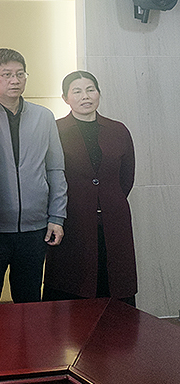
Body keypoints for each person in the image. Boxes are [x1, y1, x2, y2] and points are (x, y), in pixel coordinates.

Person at [0, 48, 67, 305]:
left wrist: (57, 216)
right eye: (6, 75)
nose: (15, 80)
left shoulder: (44, 117)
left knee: (29, 301)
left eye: (20, 74)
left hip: (35, 229)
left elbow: (55, 169)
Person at [43, 71, 137, 306]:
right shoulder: (55, 130)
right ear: (65, 98)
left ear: (98, 93)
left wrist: (107, 200)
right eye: (77, 91)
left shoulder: (118, 130)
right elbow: (47, 175)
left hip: (114, 219)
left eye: (90, 90)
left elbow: (126, 177)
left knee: (114, 281)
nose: (85, 96)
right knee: (72, 282)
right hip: (71, 218)